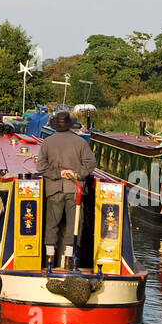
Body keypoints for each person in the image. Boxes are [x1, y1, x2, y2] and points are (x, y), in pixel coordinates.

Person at [35, 109, 97, 268]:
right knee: (74, 225)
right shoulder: (81, 142)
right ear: (70, 125)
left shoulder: (47, 142)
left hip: (54, 189)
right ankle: (69, 260)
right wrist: (76, 174)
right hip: (75, 190)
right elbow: (91, 164)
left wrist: (58, 173)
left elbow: (41, 166)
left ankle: (50, 259)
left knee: (52, 225)